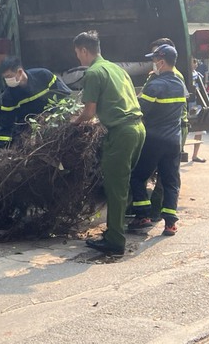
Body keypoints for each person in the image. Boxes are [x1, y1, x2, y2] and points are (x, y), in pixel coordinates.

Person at [71, 31, 146, 256]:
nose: (78, 59)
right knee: (121, 184)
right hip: (138, 129)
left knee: (115, 188)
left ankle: (115, 241)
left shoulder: (93, 72)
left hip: (121, 133)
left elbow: (89, 112)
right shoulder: (116, 68)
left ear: (84, 50)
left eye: (77, 54)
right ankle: (115, 231)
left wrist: (72, 124)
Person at [128, 44, 187, 236]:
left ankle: (142, 216)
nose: (153, 65)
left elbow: (140, 110)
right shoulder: (180, 84)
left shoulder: (154, 85)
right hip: (173, 141)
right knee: (170, 181)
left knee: (137, 177)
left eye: (154, 61)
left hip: (154, 140)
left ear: (161, 62)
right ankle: (170, 224)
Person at [0, 56, 72, 148]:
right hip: (27, 134)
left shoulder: (44, 76)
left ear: (19, 72)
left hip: (54, 127)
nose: (7, 81)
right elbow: (6, 124)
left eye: (9, 76)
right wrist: (0, 147)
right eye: (5, 78)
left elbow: (64, 98)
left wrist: (56, 118)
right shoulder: (9, 97)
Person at [189, 59, 206, 163]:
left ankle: (195, 155)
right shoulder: (184, 75)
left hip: (197, 105)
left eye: (195, 62)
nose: (194, 64)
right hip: (187, 106)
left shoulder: (198, 75)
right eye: (192, 62)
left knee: (199, 130)